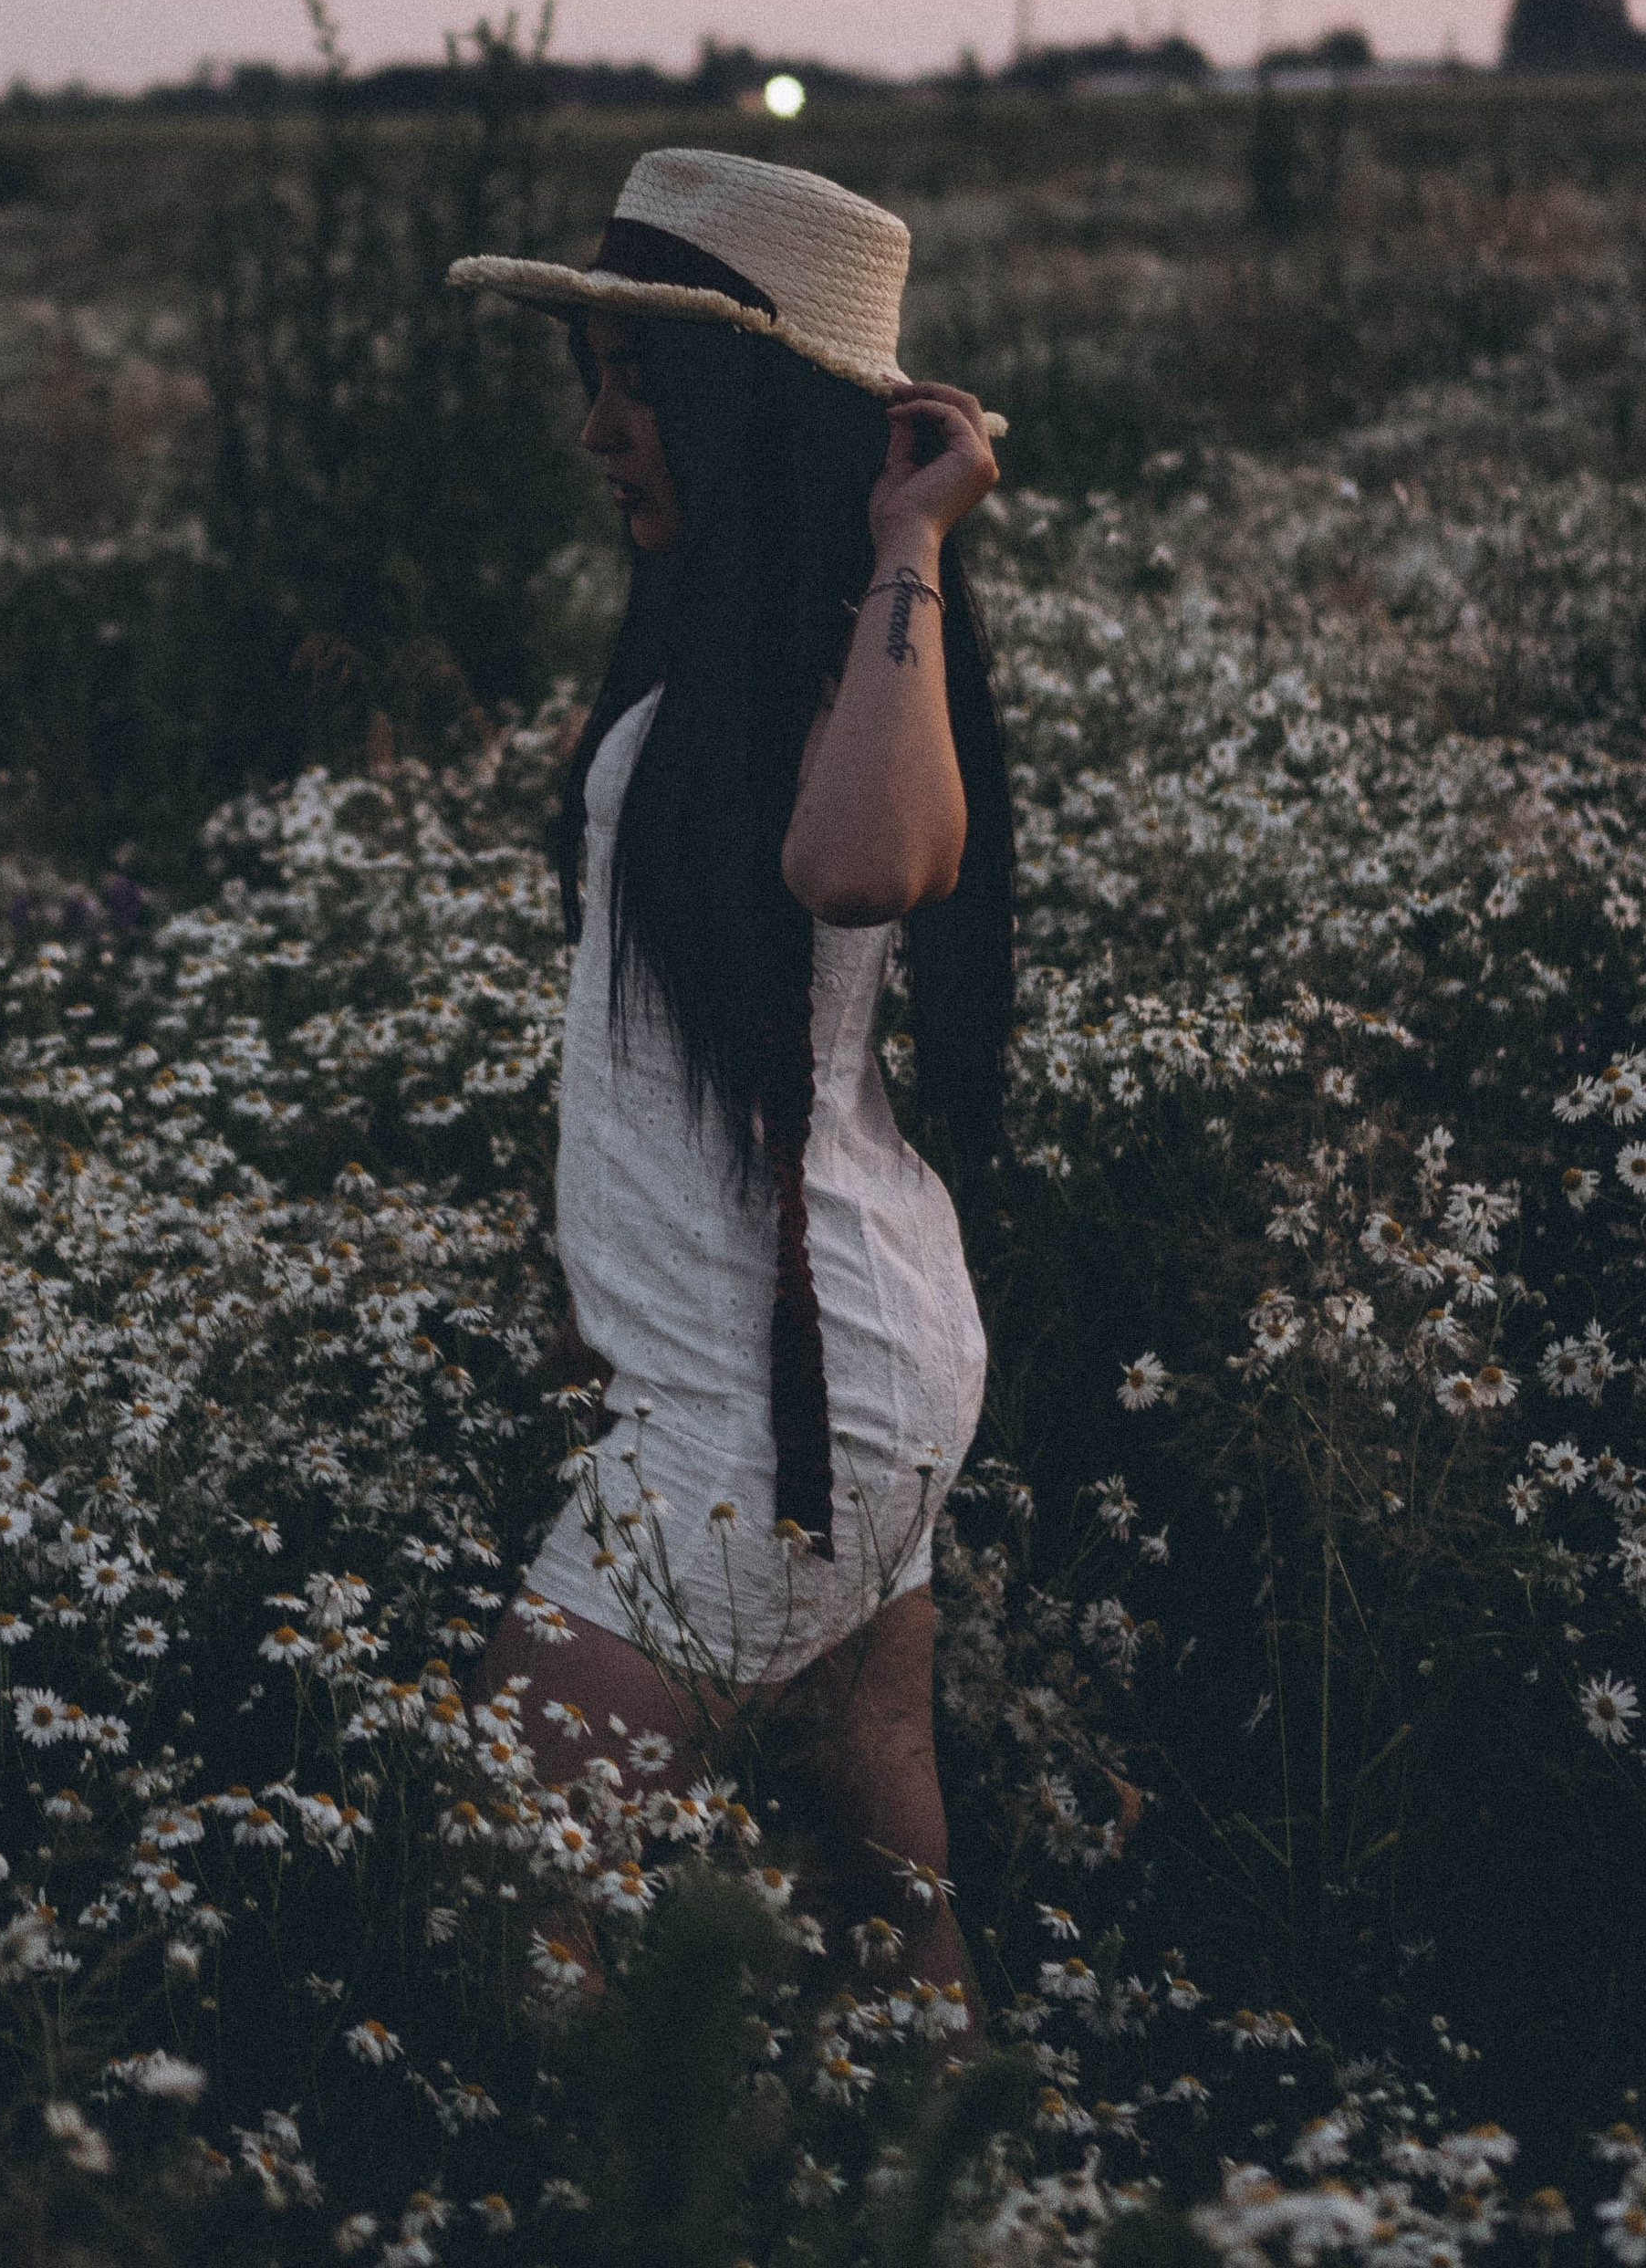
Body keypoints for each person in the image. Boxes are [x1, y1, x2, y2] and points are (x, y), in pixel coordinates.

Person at [446, 147, 1013, 2015]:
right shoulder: (734, 631)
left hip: (774, 1413)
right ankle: (962, 2204)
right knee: (880, 1894)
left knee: (514, 1911)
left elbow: (863, 869)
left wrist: (911, 539)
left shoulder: (843, 651)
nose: (599, 427)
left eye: (642, 381)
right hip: (810, 1365)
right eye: (590, 373)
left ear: (744, 404)